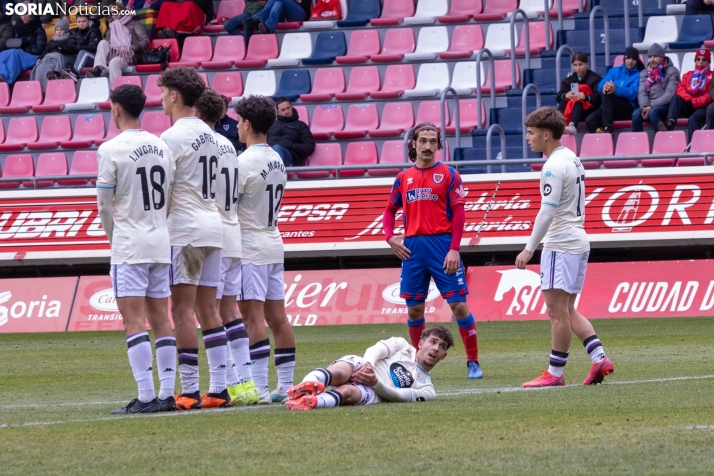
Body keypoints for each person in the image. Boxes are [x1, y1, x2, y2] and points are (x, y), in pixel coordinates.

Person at [516, 107, 614, 388]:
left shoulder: (553, 166)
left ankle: (555, 373)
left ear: (546, 135)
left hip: (560, 243)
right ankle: (599, 359)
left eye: (531, 133)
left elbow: (547, 212)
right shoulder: (571, 158)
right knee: (568, 309)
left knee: (556, 312)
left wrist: (529, 248)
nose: (527, 138)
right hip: (578, 240)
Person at [96, 84, 177, 414]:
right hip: (160, 241)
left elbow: (104, 205)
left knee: (133, 321)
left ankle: (145, 397)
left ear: (116, 109)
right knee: (162, 319)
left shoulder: (110, 149)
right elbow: (169, 197)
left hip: (129, 243)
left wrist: (114, 237)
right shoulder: (162, 146)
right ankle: (167, 394)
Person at [382, 123, 482, 380]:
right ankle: (418, 366)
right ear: (413, 144)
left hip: (442, 246)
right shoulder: (403, 178)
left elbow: (459, 213)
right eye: (422, 141)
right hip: (413, 249)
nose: (427, 146)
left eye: (432, 141)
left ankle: (473, 362)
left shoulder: (449, 174)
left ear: (439, 145)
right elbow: (389, 210)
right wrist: (390, 237)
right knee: (414, 309)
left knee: (459, 305)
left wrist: (454, 249)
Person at [158, 67, 230, 410]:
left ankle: (188, 390)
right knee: (209, 310)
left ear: (175, 95)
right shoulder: (215, 137)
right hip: (213, 225)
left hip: (184, 229)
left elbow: (164, 190)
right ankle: (219, 388)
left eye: (162, 92)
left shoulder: (171, 138)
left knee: (183, 310)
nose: (159, 98)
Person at [192, 88, 259, 406]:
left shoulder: (199, 145)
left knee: (208, 310)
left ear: (195, 113)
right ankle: (244, 383)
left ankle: (223, 383)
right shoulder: (229, 146)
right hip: (233, 230)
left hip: (212, 231)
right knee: (229, 310)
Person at [234, 95, 296, 404]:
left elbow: (229, 206)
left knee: (253, 319)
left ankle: (258, 387)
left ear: (246, 124)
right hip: (273, 240)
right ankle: (285, 385)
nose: (236, 126)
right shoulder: (277, 159)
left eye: (238, 121)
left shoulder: (243, 163)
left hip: (250, 247)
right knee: (278, 318)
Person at [285, 326, 453, 410]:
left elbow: (399, 396)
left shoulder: (428, 389)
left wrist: (375, 383)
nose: (436, 348)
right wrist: (367, 366)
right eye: (433, 342)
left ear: (444, 355)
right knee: (340, 371)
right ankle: (306, 385)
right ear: (421, 343)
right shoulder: (403, 345)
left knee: (348, 393)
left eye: (442, 346)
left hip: (375, 391)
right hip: (364, 366)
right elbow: (375, 350)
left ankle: (309, 402)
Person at [87, 3, 149, 87]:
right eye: (112, 13)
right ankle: (97, 69)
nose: (115, 14)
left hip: (129, 55)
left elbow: (145, 40)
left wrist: (130, 48)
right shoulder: (111, 26)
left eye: (117, 11)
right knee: (103, 42)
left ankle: (116, 91)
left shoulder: (134, 24)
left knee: (114, 62)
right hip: (114, 54)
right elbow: (107, 42)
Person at [585, 47, 644, 134]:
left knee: (608, 94)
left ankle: (608, 128)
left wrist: (616, 89)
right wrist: (604, 86)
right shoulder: (614, 71)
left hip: (628, 108)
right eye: (628, 58)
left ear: (637, 61)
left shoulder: (639, 74)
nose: (630, 61)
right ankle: (605, 143)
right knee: (590, 120)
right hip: (610, 107)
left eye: (633, 59)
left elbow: (633, 93)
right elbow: (599, 86)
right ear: (624, 59)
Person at [663, 49, 714, 139]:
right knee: (676, 98)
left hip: (703, 107)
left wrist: (694, 103)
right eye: (698, 59)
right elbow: (680, 89)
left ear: (708, 62)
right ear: (695, 61)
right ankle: (670, 122)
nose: (701, 62)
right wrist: (690, 100)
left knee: (693, 119)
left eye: (704, 59)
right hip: (688, 105)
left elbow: (709, 95)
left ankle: (693, 148)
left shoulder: (712, 75)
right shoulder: (688, 75)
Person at [632, 43, 680, 133]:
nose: (652, 59)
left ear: (662, 57)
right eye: (650, 56)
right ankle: (638, 144)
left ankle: (662, 140)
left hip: (666, 106)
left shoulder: (672, 71)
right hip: (649, 106)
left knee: (653, 113)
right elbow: (642, 92)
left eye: (655, 56)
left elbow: (669, 95)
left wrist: (651, 106)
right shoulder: (644, 73)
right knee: (635, 114)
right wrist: (645, 106)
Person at [556, 52, 602, 135]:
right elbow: (559, 96)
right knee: (564, 99)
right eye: (575, 65)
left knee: (577, 101)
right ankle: (558, 124)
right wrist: (565, 95)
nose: (578, 68)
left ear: (587, 64)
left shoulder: (595, 79)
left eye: (580, 64)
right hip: (573, 111)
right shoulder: (568, 80)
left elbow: (599, 98)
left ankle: (573, 126)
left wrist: (586, 97)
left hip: (590, 111)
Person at [266, 97, 315, 167]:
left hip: (291, 157)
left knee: (277, 148)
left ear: (292, 107)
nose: (286, 111)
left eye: (288, 108)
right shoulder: (271, 126)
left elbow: (309, 147)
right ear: (278, 112)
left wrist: (292, 145)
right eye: (283, 110)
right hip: (270, 155)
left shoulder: (301, 125)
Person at [0, 11, 45, 83]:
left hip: (33, 56)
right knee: (2, 54)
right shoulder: (18, 28)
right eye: (22, 14)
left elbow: (40, 49)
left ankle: (6, 78)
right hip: (20, 54)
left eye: (26, 14)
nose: (24, 16)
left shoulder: (38, 29)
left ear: (31, 15)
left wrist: (24, 50)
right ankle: (1, 74)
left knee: (14, 53)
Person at [242, 0, 310, 42]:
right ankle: (269, 27)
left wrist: (290, 2)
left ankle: (259, 18)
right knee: (277, 3)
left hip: (301, 14)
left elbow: (305, 7)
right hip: (285, 15)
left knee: (279, 2)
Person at [60, 13, 101, 82]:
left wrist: (77, 48)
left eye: (84, 21)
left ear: (89, 21)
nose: (81, 24)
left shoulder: (94, 30)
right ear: (76, 22)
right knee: (63, 56)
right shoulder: (73, 31)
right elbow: (70, 44)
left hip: (93, 58)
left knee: (83, 52)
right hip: (79, 58)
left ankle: (76, 73)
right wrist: (65, 49)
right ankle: (57, 74)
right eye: (79, 22)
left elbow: (94, 47)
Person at [29, 18, 69, 91]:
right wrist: (40, 59)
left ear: (65, 30)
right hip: (48, 58)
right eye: (57, 30)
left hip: (58, 59)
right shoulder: (51, 41)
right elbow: (45, 51)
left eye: (61, 30)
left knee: (51, 67)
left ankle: (49, 90)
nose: (59, 32)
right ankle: (40, 90)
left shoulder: (68, 40)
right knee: (39, 67)